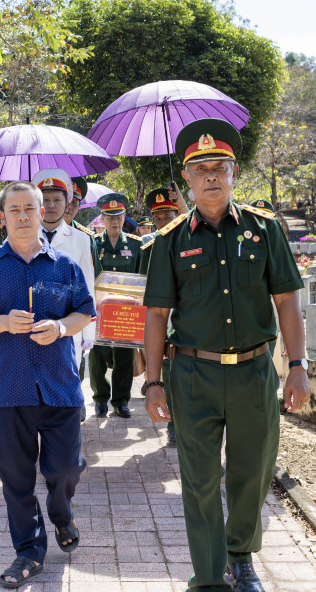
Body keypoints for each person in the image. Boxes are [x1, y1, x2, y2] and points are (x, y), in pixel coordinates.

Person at [141, 119, 310, 592]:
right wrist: (153, 382)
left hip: (255, 371)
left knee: (252, 472)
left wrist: (297, 367)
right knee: (198, 479)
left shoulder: (265, 230)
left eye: (220, 167)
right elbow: (156, 315)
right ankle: (210, 577)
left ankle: (241, 556)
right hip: (192, 374)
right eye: (201, 169)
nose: (211, 176)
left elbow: (287, 304)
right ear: (187, 181)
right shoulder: (169, 240)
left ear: (234, 174)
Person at [0, 181, 95, 589]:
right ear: (3, 218)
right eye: (13, 209)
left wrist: (59, 326)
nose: (22, 216)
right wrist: (1, 322)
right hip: (7, 389)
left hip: (60, 387)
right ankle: (29, 552)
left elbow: (84, 313)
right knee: (16, 478)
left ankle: (62, 513)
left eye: (29, 209)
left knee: (67, 468)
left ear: (42, 213)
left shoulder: (65, 265)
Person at [32, 169, 96, 383]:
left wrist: (89, 332)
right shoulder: (23, 237)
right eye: (45, 199)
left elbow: (87, 285)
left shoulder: (80, 239)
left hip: (69, 324)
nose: (51, 205)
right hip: (32, 324)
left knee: (66, 381)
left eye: (57, 199)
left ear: (67, 204)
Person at [135, 185, 187, 445]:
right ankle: (174, 428)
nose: (162, 222)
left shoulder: (193, 239)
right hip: (163, 324)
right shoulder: (151, 248)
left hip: (190, 322)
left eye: (168, 216)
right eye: (157, 218)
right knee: (167, 377)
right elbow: (143, 290)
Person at [88, 192, 142, 418]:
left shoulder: (136, 245)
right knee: (96, 354)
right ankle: (100, 397)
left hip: (126, 310)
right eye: (109, 217)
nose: (114, 221)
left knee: (124, 357)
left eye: (118, 216)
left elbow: (141, 276)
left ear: (124, 217)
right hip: (100, 309)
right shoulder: (92, 243)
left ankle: (121, 400)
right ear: (102, 218)